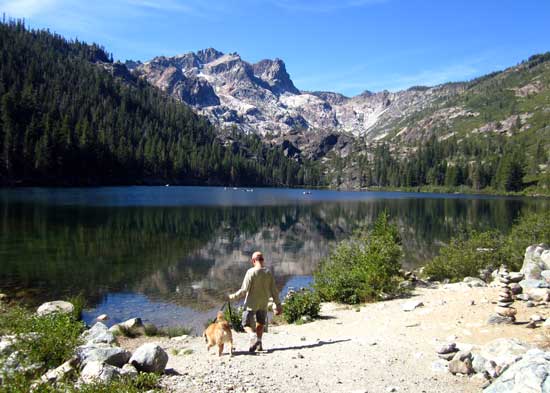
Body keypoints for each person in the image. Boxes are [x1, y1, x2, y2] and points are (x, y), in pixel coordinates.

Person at [228, 251, 282, 352]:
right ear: (262, 260)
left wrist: (232, 297)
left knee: (245, 324)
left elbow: (244, 290)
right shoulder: (268, 272)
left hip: (250, 304)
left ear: (253, 261)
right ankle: (259, 344)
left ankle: (252, 336)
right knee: (260, 323)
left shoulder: (251, 272)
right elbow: (274, 290)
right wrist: (278, 304)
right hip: (263, 303)